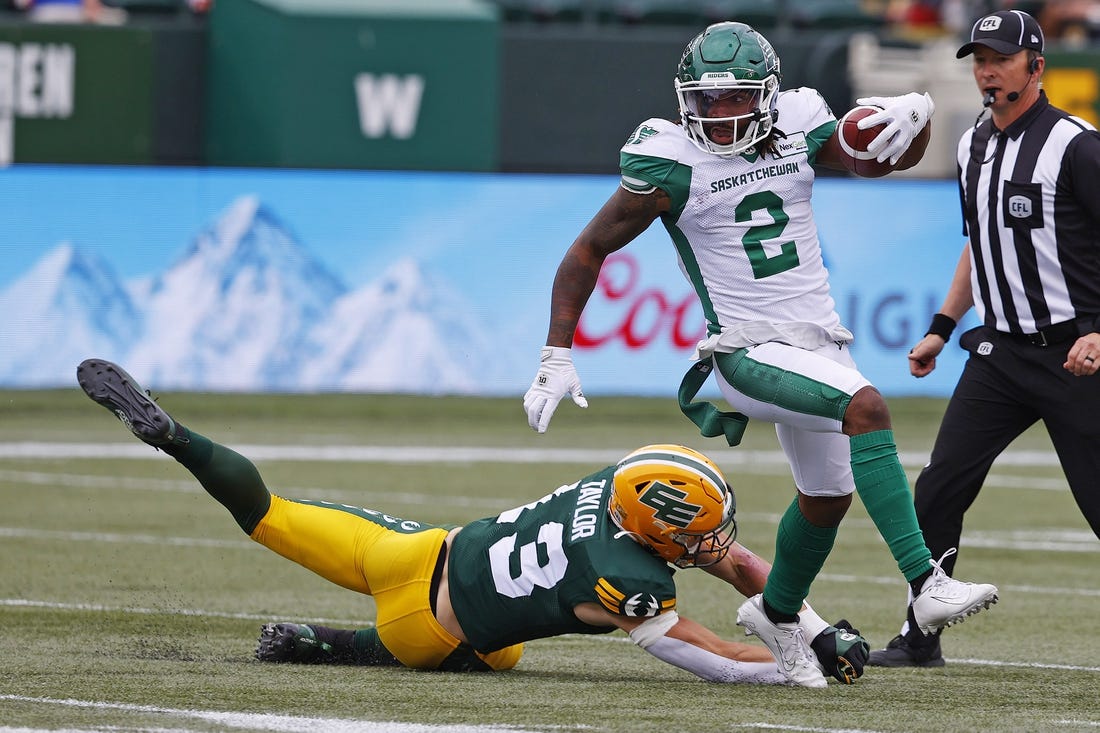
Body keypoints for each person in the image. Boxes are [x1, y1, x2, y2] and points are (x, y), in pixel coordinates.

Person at [521, 20, 1000, 686]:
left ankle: (777, 613)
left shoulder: (800, 123)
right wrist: (556, 351)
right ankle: (925, 581)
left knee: (827, 495)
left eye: (735, 98)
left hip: (818, 342)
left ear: (768, 95)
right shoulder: (669, 160)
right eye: (706, 100)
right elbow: (588, 249)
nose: (719, 115)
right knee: (867, 407)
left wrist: (912, 118)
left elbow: (874, 160)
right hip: (745, 349)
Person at [76, 357, 872, 688]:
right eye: (691, 534)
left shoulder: (617, 486)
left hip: (415, 546)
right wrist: (789, 664)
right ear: (652, 530)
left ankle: (176, 440)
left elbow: (732, 561)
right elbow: (714, 659)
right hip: (434, 628)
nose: (710, 546)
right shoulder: (631, 577)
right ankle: (327, 644)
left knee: (269, 512)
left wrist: (809, 624)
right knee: (504, 652)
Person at [868, 8, 1100, 668]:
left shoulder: (1076, 145)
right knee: (937, 489)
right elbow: (981, 245)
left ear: (1038, 66)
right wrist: (942, 327)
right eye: (979, 59)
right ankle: (921, 637)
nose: (987, 70)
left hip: (1074, 356)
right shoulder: (974, 143)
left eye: (1000, 58)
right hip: (999, 354)